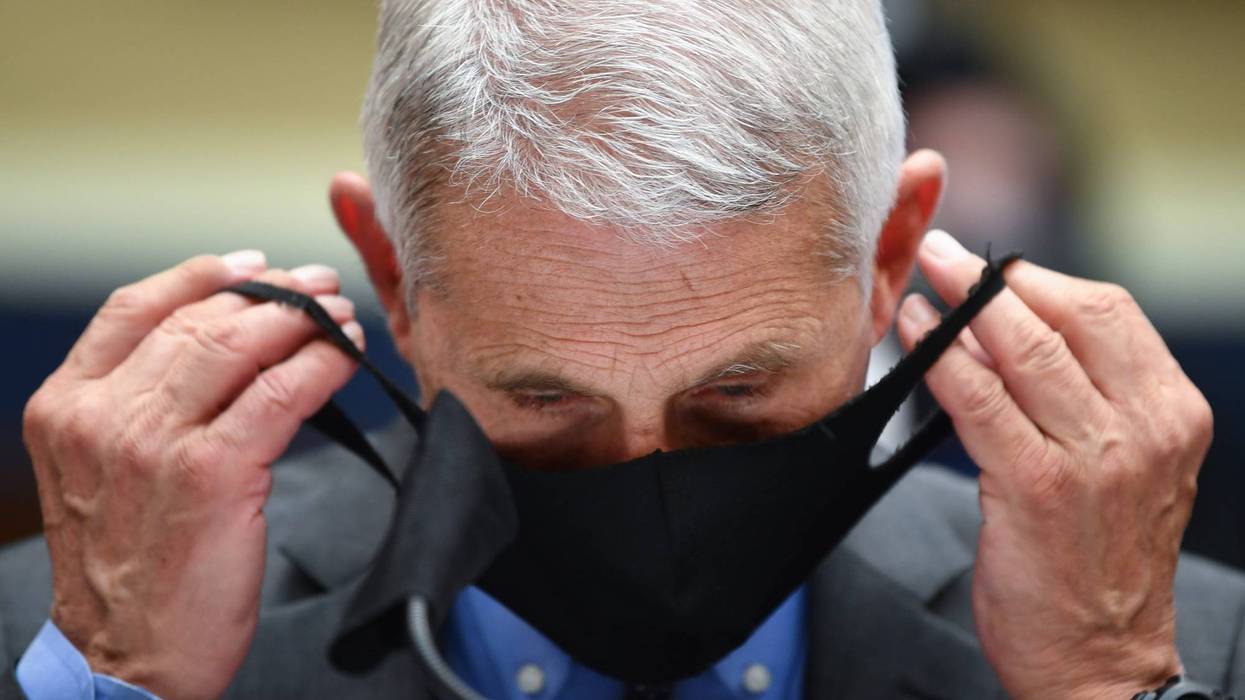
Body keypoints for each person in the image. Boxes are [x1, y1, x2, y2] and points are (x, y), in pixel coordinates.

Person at [3, 1, 1244, 698]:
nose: (650, 475)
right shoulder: (49, 647)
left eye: (740, 397)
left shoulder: (1196, 646)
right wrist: (116, 685)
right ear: (395, 280)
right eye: (544, 400)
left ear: (891, 255)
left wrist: (1106, 687)